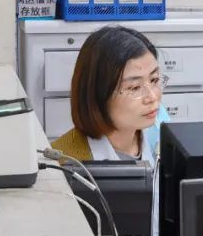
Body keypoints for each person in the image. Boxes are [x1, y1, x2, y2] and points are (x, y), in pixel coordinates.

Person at [51, 25, 166, 163]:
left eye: (154, 80)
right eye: (135, 87)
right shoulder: (62, 163)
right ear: (99, 95)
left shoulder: (161, 135)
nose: (152, 97)